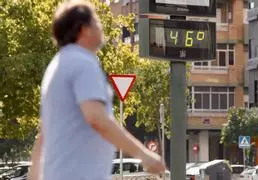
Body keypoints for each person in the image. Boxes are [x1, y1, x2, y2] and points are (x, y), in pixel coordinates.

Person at [27, 1, 166, 180]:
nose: (101, 27)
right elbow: (96, 118)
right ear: (84, 29)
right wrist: (144, 155)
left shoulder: (57, 66)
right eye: (97, 22)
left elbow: (44, 137)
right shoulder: (82, 63)